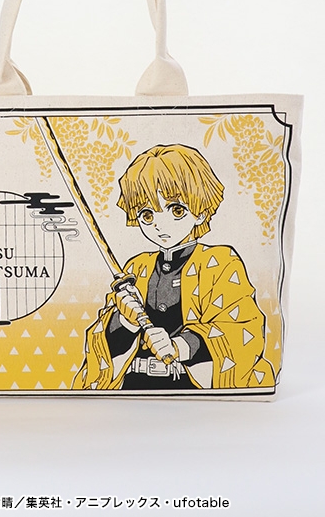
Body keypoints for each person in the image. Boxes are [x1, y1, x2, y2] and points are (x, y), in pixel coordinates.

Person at [73, 144, 275, 391]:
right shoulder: (136, 267)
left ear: (200, 212)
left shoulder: (220, 262)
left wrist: (181, 346)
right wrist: (125, 322)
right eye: (147, 215)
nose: (160, 224)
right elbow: (100, 342)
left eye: (176, 210)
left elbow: (240, 327)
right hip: (132, 387)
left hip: (191, 389)